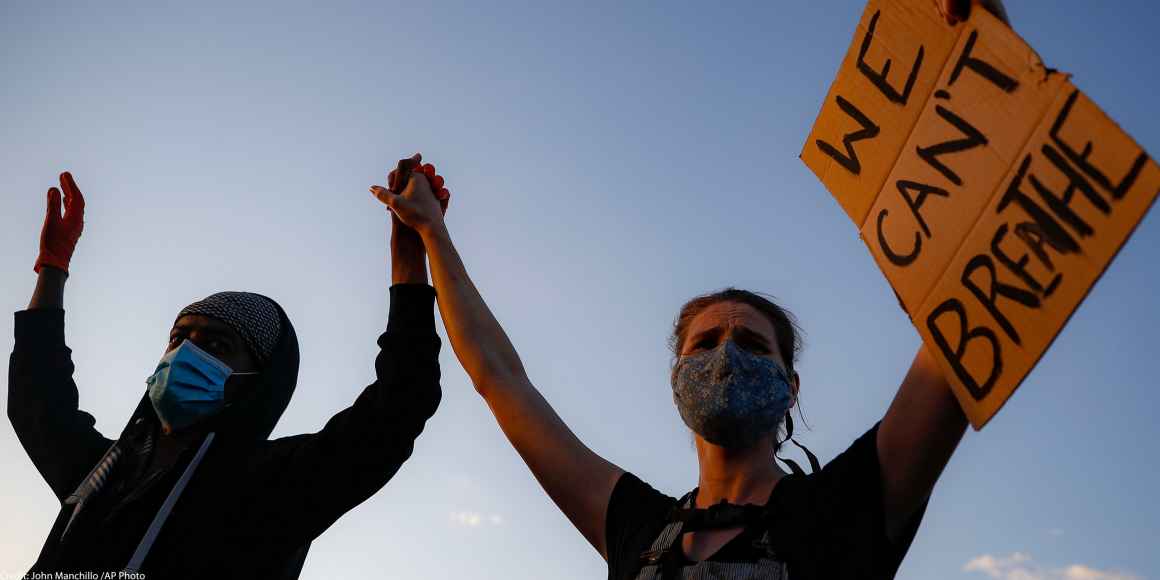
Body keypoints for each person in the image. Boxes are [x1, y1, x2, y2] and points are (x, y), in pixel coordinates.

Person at [372, 5, 1012, 579]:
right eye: (705, 341)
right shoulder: (635, 528)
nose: (726, 353)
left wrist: (990, 59)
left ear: (791, 386)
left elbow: (966, 301)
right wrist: (430, 237)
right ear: (676, 376)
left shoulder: (850, 504)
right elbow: (498, 376)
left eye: (753, 344)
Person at [9, 169, 445, 577]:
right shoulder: (104, 470)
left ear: (257, 381)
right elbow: (39, 399)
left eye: (217, 345)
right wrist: (53, 268)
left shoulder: (275, 490)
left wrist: (410, 252)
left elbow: (398, 406)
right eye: (178, 337)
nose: (185, 353)